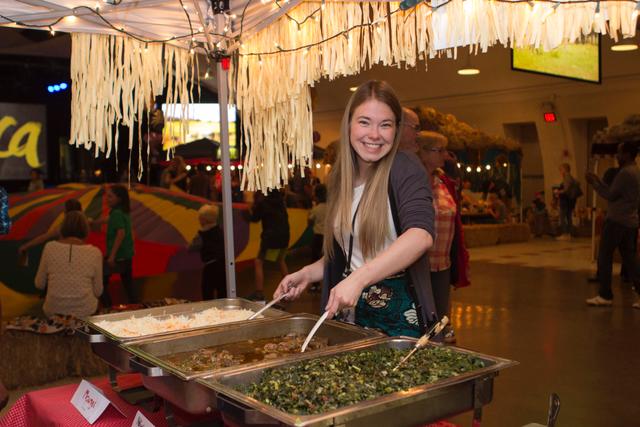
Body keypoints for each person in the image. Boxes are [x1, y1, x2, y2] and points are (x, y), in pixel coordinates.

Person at [274, 80, 436, 338]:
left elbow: (420, 235)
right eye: (364, 122)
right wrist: (308, 273)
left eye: (385, 125)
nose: (374, 134)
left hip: (396, 322)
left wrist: (359, 280)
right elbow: (353, 253)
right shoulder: (341, 177)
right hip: (347, 315)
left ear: (396, 131)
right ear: (348, 124)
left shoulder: (404, 167)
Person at [585, 141, 640, 309]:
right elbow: (617, 192)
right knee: (630, 260)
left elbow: (609, 194)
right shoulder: (636, 171)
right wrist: (599, 181)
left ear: (628, 155)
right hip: (630, 221)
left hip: (616, 220)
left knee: (604, 256)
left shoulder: (624, 173)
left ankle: (605, 294)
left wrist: (594, 183)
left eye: (620, 152)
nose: (617, 155)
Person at [417, 131, 459, 343]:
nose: (445, 155)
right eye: (439, 150)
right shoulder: (412, 180)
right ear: (422, 152)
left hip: (442, 262)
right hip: (417, 261)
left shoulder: (442, 180)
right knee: (418, 318)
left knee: (440, 317)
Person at [34, 211, 103, 317]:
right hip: (86, 312)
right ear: (85, 229)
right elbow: (98, 291)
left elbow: (39, 284)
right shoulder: (95, 252)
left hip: (53, 312)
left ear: (63, 228)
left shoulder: (50, 247)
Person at [247, 189, 290, 301]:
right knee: (281, 260)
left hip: (271, 238)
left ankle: (259, 293)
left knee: (258, 262)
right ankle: (289, 288)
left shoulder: (263, 203)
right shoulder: (281, 202)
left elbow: (254, 219)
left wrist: (248, 209)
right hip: (285, 236)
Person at [100, 185, 135, 306]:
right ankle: (135, 305)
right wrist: (92, 222)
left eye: (110, 196)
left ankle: (108, 307)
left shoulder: (116, 214)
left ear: (119, 199)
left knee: (101, 282)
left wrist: (111, 256)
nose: (107, 199)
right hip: (127, 254)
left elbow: (121, 233)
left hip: (118, 256)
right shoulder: (123, 212)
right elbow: (107, 220)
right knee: (128, 285)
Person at [18, 199, 83, 259]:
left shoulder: (62, 228)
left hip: (64, 258)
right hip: (79, 257)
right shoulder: (85, 225)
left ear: (66, 213)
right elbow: (43, 237)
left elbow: (43, 237)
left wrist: (26, 246)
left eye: (65, 211)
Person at [189, 204, 226, 300]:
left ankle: (210, 311)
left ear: (204, 220)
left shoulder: (201, 234)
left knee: (207, 291)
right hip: (222, 264)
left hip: (210, 266)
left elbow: (192, 247)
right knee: (222, 291)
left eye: (200, 218)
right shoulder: (220, 231)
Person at [308, 184, 327, 292]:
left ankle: (315, 285)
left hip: (318, 237)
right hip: (328, 238)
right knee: (327, 260)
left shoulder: (316, 209)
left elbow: (310, 222)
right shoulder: (331, 207)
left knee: (315, 259)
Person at [555, 163, 581, 240]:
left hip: (565, 201)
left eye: (560, 170)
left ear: (564, 169)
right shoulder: (572, 178)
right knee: (569, 217)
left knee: (563, 217)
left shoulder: (567, 177)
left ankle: (565, 234)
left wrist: (558, 192)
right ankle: (569, 234)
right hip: (570, 201)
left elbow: (566, 190)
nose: (560, 172)